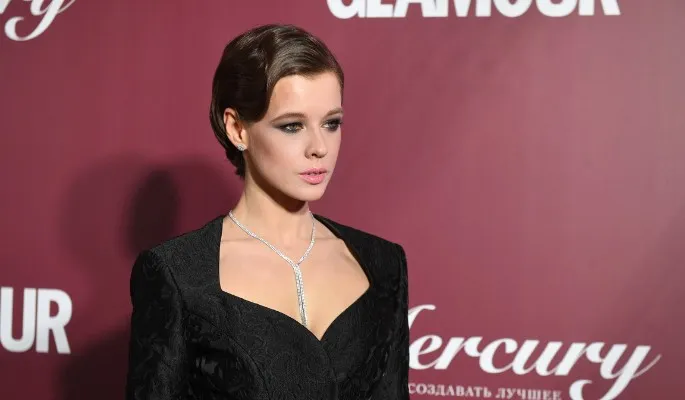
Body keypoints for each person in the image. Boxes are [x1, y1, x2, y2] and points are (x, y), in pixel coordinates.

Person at [125, 23, 409, 400]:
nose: (320, 147)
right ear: (237, 129)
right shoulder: (177, 273)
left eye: (331, 123)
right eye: (292, 126)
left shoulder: (384, 263)